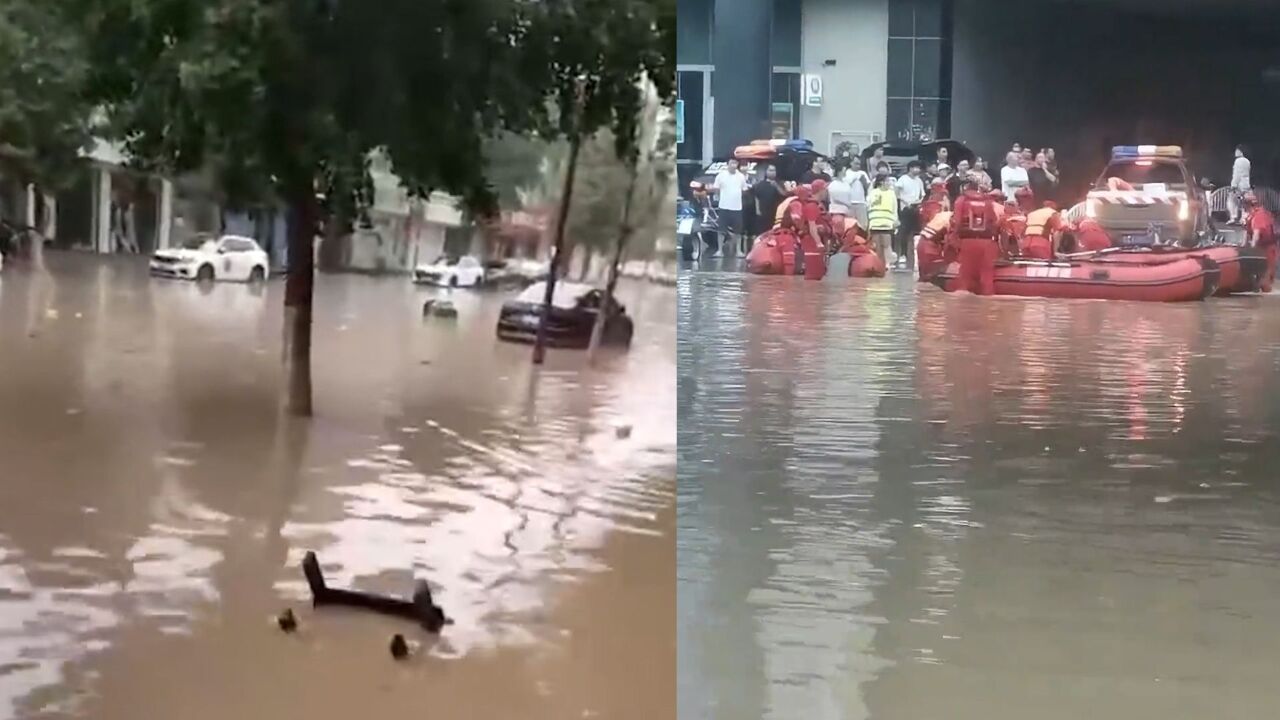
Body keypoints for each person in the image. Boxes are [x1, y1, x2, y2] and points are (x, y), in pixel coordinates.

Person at [950, 174, 1001, 295]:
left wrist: (954, 238)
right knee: (987, 276)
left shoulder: (961, 200)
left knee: (965, 277)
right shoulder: (987, 201)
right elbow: (994, 222)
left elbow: (956, 222)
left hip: (968, 241)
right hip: (987, 242)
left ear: (965, 186)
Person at [710, 158, 747, 257]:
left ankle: (738, 251)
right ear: (728, 164)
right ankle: (719, 250)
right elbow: (716, 188)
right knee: (721, 230)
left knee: (738, 231)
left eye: (735, 163)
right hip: (724, 206)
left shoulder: (741, 176)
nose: (733, 165)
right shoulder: (721, 175)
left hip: (737, 207)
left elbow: (744, 190)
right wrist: (718, 197)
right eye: (731, 163)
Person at [894, 161, 925, 269]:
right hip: (906, 208)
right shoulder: (903, 179)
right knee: (904, 232)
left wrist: (920, 201)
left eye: (918, 168)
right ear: (910, 168)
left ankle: (914, 255)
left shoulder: (919, 180)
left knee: (916, 232)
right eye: (915, 168)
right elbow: (896, 191)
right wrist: (905, 201)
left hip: (916, 207)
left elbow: (922, 193)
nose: (917, 170)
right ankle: (902, 254)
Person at [1244, 191, 1276, 292]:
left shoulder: (1258, 216)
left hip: (1267, 250)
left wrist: (1251, 251)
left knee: (1265, 283)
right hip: (1264, 249)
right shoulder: (1256, 215)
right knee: (1261, 280)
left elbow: (1256, 235)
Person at [867, 174, 899, 265]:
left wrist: (895, 220)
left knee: (886, 244)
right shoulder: (873, 192)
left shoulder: (891, 193)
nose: (889, 183)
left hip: (887, 222)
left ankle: (887, 263)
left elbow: (894, 208)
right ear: (881, 182)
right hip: (875, 222)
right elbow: (868, 205)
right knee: (877, 245)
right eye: (887, 181)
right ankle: (878, 263)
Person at [753, 165, 786, 238]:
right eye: (770, 170)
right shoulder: (760, 185)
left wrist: (776, 186)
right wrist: (757, 210)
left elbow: (784, 194)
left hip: (775, 214)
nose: (772, 172)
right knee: (762, 234)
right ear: (766, 172)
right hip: (763, 214)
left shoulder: (779, 183)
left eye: (774, 170)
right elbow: (756, 197)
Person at [845, 157, 871, 231]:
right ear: (851, 163)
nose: (858, 166)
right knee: (850, 225)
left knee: (863, 226)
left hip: (861, 203)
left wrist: (863, 181)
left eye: (859, 164)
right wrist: (854, 179)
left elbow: (868, 187)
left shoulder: (863, 173)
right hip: (849, 203)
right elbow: (846, 185)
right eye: (856, 164)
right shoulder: (846, 172)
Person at [826, 165, 853, 237]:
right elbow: (832, 197)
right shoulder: (833, 184)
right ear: (839, 171)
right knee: (838, 234)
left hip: (847, 212)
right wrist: (846, 203)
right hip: (837, 212)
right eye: (844, 170)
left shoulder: (846, 184)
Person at [1230, 145, 1252, 225]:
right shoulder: (1247, 161)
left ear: (1240, 152)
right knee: (1244, 203)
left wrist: (1233, 185)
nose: (1235, 152)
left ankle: (1233, 217)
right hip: (1246, 185)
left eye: (1237, 151)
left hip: (1238, 186)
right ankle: (1243, 219)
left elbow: (1237, 174)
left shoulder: (1238, 161)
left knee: (1232, 201)